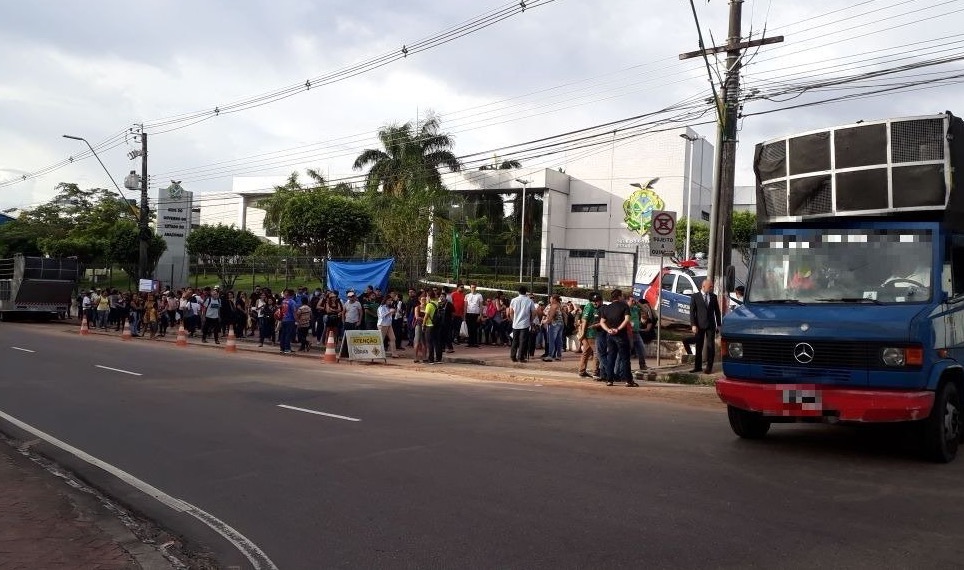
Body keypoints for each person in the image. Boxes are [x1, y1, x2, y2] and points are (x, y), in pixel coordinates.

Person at [599, 289, 637, 387]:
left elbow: (602, 322)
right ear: (619, 297)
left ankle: (609, 380)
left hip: (610, 335)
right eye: (622, 296)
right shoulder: (624, 306)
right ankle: (628, 380)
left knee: (611, 357)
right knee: (625, 358)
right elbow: (627, 319)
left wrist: (608, 330)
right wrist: (618, 329)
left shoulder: (606, 308)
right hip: (621, 335)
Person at [689, 279, 722, 374]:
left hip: (710, 325)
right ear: (703, 286)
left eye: (712, 286)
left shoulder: (713, 297)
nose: (711, 288)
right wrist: (693, 325)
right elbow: (692, 312)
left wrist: (719, 324)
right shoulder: (695, 297)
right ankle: (697, 367)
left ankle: (709, 367)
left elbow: (717, 312)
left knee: (710, 346)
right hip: (699, 325)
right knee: (699, 346)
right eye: (710, 286)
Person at [508, 286, 536, 363]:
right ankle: (521, 357)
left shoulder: (514, 300)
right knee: (523, 341)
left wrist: (514, 320)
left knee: (515, 340)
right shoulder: (529, 301)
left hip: (515, 324)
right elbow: (534, 312)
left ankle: (513, 356)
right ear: (526, 292)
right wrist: (531, 320)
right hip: (525, 324)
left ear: (518, 292)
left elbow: (510, 312)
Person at [577, 294, 602, 379]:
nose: (596, 302)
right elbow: (584, 320)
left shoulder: (593, 307)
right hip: (591, 333)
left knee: (586, 352)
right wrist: (583, 333)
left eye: (597, 301)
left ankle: (582, 371)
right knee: (596, 353)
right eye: (594, 301)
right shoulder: (589, 307)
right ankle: (595, 372)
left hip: (590, 333)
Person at [464, 283, 484, 348]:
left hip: (476, 314)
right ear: (470, 288)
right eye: (472, 287)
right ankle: (470, 342)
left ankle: (475, 343)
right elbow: (465, 306)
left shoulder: (479, 295)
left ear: (476, 288)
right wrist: (464, 315)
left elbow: (481, 306)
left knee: (475, 328)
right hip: (469, 313)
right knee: (469, 328)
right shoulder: (467, 295)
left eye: (474, 287)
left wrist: (480, 315)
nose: (473, 288)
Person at [279, 289, 298, 354]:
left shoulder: (283, 301)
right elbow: (294, 312)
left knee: (283, 334)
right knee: (288, 334)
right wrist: (297, 320)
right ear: (292, 295)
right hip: (290, 320)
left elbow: (281, 310)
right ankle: (287, 348)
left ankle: (282, 348)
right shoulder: (292, 302)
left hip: (284, 319)